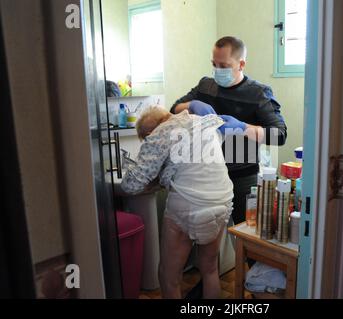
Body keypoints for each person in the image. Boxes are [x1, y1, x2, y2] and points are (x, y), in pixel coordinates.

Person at [170, 36, 287, 298]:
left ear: (241, 63)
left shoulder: (258, 93)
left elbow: (279, 134)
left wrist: (244, 128)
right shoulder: (206, 86)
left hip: (241, 177)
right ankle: (207, 288)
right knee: (208, 249)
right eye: (214, 63)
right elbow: (173, 109)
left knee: (248, 245)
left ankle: (259, 292)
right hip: (206, 178)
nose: (217, 70)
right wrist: (191, 105)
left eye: (223, 65)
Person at [121, 106, 234, 299]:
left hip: (189, 204)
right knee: (209, 269)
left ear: (149, 132)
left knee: (169, 275)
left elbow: (131, 185)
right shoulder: (201, 121)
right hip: (221, 199)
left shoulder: (160, 133)